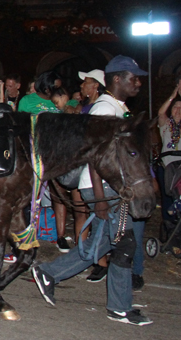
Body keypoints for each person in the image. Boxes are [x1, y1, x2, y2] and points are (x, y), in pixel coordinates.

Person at [32, 55, 152, 325]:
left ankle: (50, 273)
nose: (138, 83)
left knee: (108, 241)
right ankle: (118, 307)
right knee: (122, 243)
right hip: (103, 188)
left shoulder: (116, 107)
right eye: (133, 78)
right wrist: (99, 198)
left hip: (111, 188)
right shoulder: (104, 109)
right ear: (117, 79)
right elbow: (95, 156)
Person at [156, 83, 181, 235]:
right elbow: (160, 113)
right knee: (167, 198)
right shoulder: (166, 125)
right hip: (166, 167)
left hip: (180, 168)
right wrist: (173, 95)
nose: (178, 110)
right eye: (175, 107)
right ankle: (168, 228)